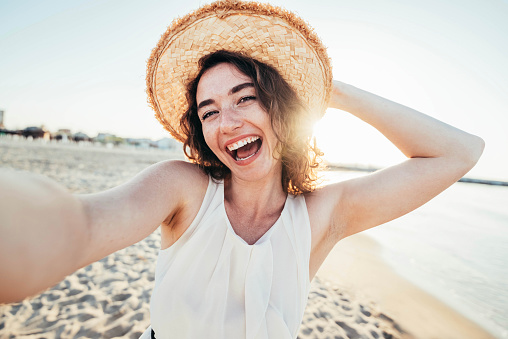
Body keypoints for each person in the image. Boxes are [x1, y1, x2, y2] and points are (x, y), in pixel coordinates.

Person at [0, 1, 484, 338]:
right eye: (208, 111)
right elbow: (81, 225)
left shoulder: (323, 215)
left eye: (245, 98)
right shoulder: (183, 188)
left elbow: (459, 152)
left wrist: (328, 92)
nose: (227, 123)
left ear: (281, 108)